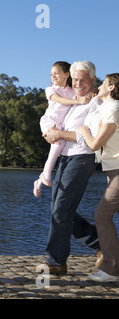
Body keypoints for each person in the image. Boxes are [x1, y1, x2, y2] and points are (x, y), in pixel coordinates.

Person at [37, 60, 102, 275]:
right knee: (61, 211)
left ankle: (56, 262)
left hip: (82, 158)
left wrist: (59, 134)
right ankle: (102, 246)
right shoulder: (72, 99)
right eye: (75, 79)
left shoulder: (96, 103)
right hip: (64, 158)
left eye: (83, 79)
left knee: (61, 210)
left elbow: (90, 138)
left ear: (93, 79)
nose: (78, 83)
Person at [77, 73, 119, 282]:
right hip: (113, 170)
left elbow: (94, 144)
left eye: (103, 83)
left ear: (112, 87)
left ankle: (112, 270)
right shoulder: (105, 107)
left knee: (102, 215)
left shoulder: (114, 109)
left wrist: (83, 131)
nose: (100, 85)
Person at [33, 61, 92, 198]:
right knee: (59, 143)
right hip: (49, 122)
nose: (53, 76)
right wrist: (78, 102)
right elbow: (60, 100)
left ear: (67, 74)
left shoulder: (72, 90)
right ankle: (45, 175)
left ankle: (40, 180)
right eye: (51, 74)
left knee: (60, 145)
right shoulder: (51, 89)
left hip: (60, 125)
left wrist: (92, 92)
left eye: (57, 73)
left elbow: (87, 90)